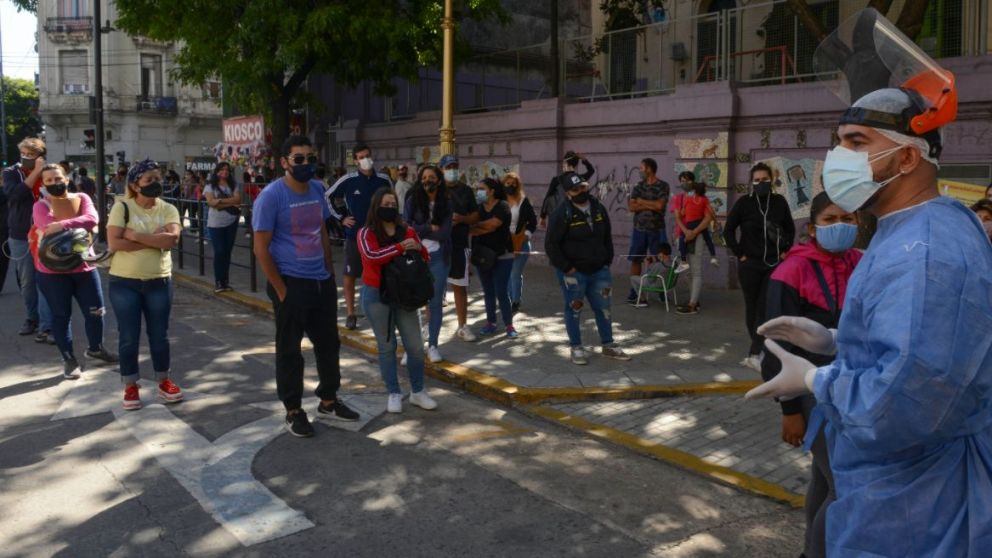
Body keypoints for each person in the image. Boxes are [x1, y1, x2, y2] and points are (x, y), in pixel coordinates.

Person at [747, 15, 992, 552]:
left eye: (857, 142)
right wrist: (836, 342)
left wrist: (816, 383)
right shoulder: (908, 227)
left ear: (907, 156)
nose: (838, 157)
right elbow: (922, 344)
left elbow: (905, 403)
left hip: (918, 503)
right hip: (891, 485)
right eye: (839, 142)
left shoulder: (926, 251)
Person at [759, 192, 861, 558]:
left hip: (848, 386)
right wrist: (789, 410)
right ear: (813, 228)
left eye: (847, 219)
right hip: (807, 387)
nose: (840, 226)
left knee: (824, 478)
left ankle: (808, 552)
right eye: (830, 219)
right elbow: (772, 346)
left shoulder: (862, 263)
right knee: (843, 488)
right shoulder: (791, 270)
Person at [253, 135, 359, 438]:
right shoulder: (271, 196)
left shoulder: (317, 189)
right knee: (290, 349)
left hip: (320, 281)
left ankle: (328, 399)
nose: (305, 164)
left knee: (329, 343)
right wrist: (282, 290)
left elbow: (322, 231)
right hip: (291, 281)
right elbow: (261, 248)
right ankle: (293, 410)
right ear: (285, 162)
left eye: (309, 158)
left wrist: (329, 271)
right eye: (298, 159)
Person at [106, 159, 184, 411]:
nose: (156, 183)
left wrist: (135, 236)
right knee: (129, 336)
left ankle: (164, 380)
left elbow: (172, 240)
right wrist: (154, 239)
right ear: (135, 185)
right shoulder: (122, 207)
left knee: (159, 336)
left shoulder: (168, 208)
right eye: (149, 180)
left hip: (158, 281)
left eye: (158, 178)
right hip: (124, 282)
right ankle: (130, 384)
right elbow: (115, 244)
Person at [33, 164, 118, 379]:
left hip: (84, 267)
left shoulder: (82, 198)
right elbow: (46, 225)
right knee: (61, 316)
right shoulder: (40, 206)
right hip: (51, 271)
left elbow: (92, 219)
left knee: (96, 311)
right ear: (43, 184)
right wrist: (74, 225)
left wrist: (61, 224)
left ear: (67, 178)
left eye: (58, 178)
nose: (55, 183)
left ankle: (96, 348)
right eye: (49, 180)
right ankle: (69, 359)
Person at [358, 188, 438, 414]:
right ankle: (393, 392)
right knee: (387, 347)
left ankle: (418, 391)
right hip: (376, 295)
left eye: (393, 204)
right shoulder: (366, 233)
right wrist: (399, 248)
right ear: (376, 206)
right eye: (385, 203)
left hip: (407, 296)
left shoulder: (408, 230)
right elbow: (371, 257)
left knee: (414, 346)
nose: (390, 207)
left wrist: (418, 248)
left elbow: (425, 258)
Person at [545, 173, 630, 365]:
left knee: (604, 308)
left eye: (583, 187)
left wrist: (607, 260)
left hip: (600, 270)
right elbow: (551, 245)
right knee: (574, 309)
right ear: (568, 193)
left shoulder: (599, 208)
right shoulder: (561, 213)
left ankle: (608, 345)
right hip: (574, 273)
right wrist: (567, 268)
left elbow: (607, 236)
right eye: (576, 189)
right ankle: (576, 347)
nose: (581, 191)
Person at [724, 162, 795, 370]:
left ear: (771, 181)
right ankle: (758, 346)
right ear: (751, 182)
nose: (761, 183)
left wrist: (785, 251)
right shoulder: (744, 203)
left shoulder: (779, 202)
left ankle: (756, 351)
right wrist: (741, 254)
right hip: (750, 265)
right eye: (757, 180)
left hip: (773, 264)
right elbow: (728, 231)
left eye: (765, 179)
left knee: (765, 307)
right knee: (752, 307)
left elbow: (789, 229)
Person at [326, 144, 392, 330]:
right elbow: (328, 196)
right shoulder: (348, 180)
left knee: (381, 274)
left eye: (367, 155)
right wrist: (341, 218)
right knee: (350, 274)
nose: (365, 159)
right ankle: (350, 313)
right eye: (361, 157)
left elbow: (394, 202)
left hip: (380, 237)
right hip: (355, 236)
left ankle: (380, 309)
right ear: (355, 161)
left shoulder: (384, 180)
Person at [3, 137, 53, 339]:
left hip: (45, 233)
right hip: (20, 235)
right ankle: (32, 317)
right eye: (23, 154)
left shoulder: (50, 172)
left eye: (31, 155)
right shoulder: (11, 173)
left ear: (40, 156)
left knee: (46, 280)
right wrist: (34, 173)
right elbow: (14, 195)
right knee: (27, 281)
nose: (26, 158)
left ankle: (47, 324)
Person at [404, 165, 451, 363]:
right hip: (416, 258)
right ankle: (412, 347)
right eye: (424, 177)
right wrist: (428, 227)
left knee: (435, 303)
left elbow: (444, 233)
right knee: (413, 304)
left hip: (439, 258)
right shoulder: (413, 200)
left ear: (439, 180)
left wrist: (421, 230)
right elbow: (407, 228)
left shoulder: (446, 203)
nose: (427, 181)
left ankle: (433, 345)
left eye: (431, 177)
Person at [469, 178, 517, 338]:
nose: (478, 192)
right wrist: (477, 227)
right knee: (488, 291)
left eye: (481, 189)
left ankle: (509, 325)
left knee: (501, 291)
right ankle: (491, 323)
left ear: (492, 191)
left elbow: (492, 225)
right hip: (482, 256)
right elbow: (473, 230)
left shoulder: (502, 206)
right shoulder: (477, 207)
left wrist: (476, 226)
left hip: (503, 255)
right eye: (477, 189)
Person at [440, 154, 480, 342]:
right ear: (442, 170)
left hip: (459, 244)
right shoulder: (436, 190)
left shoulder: (466, 190)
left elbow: (475, 216)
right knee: (433, 286)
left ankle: (463, 326)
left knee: (460, 286)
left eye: (455, 167)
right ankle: (428, 325)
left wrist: (462, 219)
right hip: (437, 245)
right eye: (448, 167)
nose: (452, 170)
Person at [625, 158, 670, 305]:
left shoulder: (663, 186)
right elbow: (631, 207)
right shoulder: (638, 186)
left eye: (642, 168)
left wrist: (642, 202)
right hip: (639, 229)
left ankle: (661, 291)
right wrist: (650, 204)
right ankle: (634, 292)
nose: (640, 170)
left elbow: (659, 206)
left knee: (660, 260)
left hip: (657, 229)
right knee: (636, 259)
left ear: (649, 169)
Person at [674, 181, 717, 315]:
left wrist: (692, 233)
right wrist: (687, 232)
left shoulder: (699, 200)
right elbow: (678, 217)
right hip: (686, 234)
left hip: (694, 236)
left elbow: (709, 218)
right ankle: (694, 299)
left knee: (696, 270)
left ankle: (692, 304)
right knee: (688, 271)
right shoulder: (684, 199)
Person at [203, 162, 242, 293]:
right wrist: (227, 201)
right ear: (217, 171)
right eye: (222, 169)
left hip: (232, 221)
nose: (225, 172)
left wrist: (220, 201)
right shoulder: (210, 185)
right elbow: (211, 203)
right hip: (215, 224)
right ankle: (219, 282)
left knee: (227, 252)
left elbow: (237, 200)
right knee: (219, 251)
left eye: (227, 170)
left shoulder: (233, 184)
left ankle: (225, 282)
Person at [503, 172, 537, 313]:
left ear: (517, 185)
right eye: (507, 184)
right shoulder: (499, 201)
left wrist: (526, 236)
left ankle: (515, 301)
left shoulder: (523, 201)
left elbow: (533, 222)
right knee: (506, 273)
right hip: (504, 243)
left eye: (513, 184)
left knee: (515, 273)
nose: (510, 186)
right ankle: (509, 299)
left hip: (520, 243)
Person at [540, 150, 594, 228]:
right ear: (575, 165)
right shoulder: (580, 179)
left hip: (562, 219)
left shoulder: (557, 180)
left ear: (565, 163)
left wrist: (542, 217)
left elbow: (547, 197)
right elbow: (591, 171)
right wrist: (584, 159)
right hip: (578, 219)